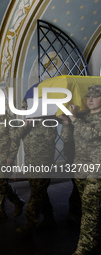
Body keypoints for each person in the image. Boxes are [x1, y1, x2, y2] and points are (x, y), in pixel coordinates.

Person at [59, 84, 101, 255]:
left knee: (90, 205)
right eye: (88, 96)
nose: (90, 99)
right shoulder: (81, 118)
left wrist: (75, 120)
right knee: (86, 206)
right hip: (80, 167)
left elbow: (92, 135)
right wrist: (67, 123)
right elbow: (67, 140)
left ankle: (83, 246)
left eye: (95, 96)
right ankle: (93, 235)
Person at [9, 111, 57, 236]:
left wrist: (40, 120)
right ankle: (49, 218)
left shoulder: (48, 122)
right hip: (30, 163)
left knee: (36, 193)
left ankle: (30, 223)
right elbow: (15, 136)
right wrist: (26, 125)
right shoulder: (27, 124)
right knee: (40, 192)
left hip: (43, 164)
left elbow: (51, 138)